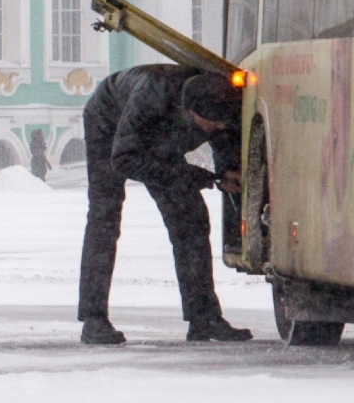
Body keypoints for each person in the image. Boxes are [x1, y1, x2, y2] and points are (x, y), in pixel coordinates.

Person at [78, 64, 252, 345]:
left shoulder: (222, 103)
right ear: (190, 113)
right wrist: (199, 176)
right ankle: (93, 319)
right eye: (208, 126)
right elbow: (124, 159)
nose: (215, 130)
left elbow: (225, 143)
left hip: (159, 137)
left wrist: (227, 173)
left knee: (192, 217)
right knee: (105, 215)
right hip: (109, 123)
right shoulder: (151, 99)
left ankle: (203, 318)